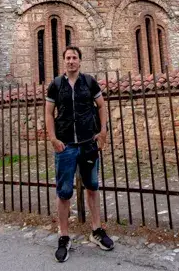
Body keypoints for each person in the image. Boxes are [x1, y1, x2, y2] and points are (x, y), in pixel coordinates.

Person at [45, 46, 114, 262]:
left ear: (80, 61)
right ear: (63, 61)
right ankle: (64, 235)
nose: (71, 61)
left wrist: (103, 131)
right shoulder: (56, 85)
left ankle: (96, 230)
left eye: (74, 57)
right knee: (64, 191)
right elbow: (48, 112)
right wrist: (53, 139)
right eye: (68, 58)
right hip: (65, 146)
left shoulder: (89, 82)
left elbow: (101, 106)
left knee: (92, 186)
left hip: (88, 143)